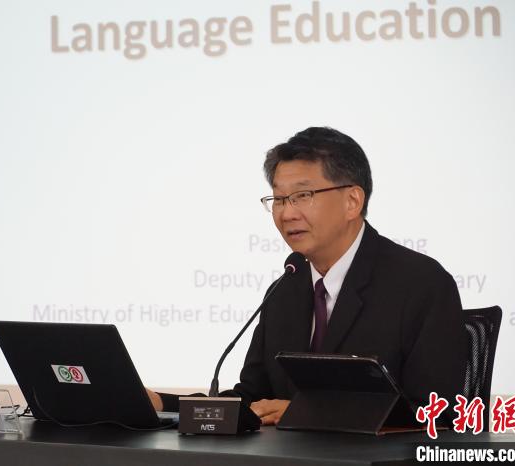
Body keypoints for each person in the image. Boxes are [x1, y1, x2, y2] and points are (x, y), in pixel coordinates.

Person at [149, 126, 467, 426]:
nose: (287, 213)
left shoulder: (421, 285)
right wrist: (163, 404)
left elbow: (434, 412)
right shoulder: (285, 290)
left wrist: (305, 413)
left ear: (352, 201)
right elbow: (254, 399)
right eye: (279, 199)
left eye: (303, 195)